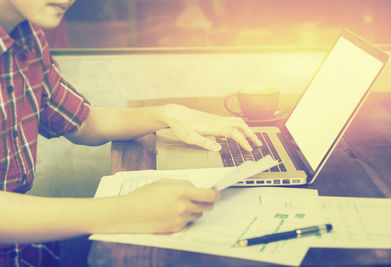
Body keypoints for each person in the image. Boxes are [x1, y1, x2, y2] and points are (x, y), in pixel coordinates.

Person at [0, 0, 262, 266]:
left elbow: (83, 123)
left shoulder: (28, 37)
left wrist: (169, 115)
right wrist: (127, 211)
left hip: (28, 252)